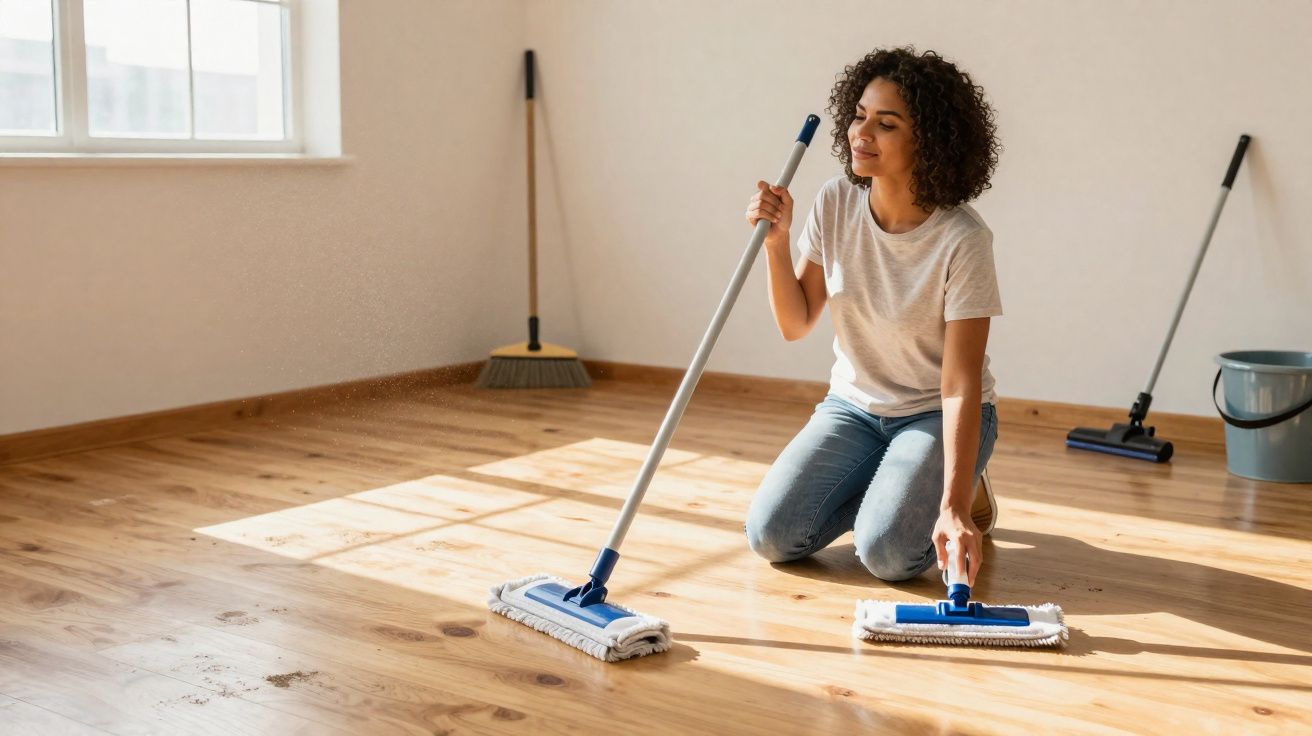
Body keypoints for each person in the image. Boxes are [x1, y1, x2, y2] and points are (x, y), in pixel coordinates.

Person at [743, 46, 1003, 587]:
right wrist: (776, 244)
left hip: (935, 412)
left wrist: (951, 506)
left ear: (928, 142)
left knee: (885, 555)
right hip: (853, 408)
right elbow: (796, 324)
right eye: (859, 116)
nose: (861, 133)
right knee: (771, 535)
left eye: (886, 124)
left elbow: (959, 382)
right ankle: (905, 483)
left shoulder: (963, 239)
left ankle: (963, 485)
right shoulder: (835, 202)